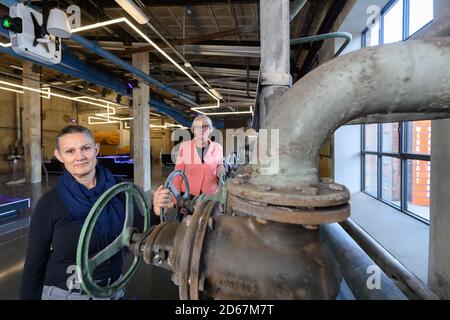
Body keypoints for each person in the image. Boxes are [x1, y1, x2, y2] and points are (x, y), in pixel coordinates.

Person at [19, 125, 157, 300]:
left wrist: (156, 211)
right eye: (70, 151)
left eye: (85, 148)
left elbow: (138, 233)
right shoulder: (50, 203)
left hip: (114, 290)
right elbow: (34, 264)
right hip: (67, 293)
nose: (80, 157)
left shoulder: (119, 190)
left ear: (96, 149)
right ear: (59, 156)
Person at [153, 115, 224, 216]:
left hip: (210, 195)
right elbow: (178, 174)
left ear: (211, 129)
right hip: (188, 195)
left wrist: (220, 172)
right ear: (193, 130)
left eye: (205, 126)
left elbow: (219, 169)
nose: (202, 129)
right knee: (187, 225)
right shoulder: (184, 147)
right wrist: (175, 199)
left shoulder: (218, 148)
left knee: (208, 222)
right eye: (198, 127)